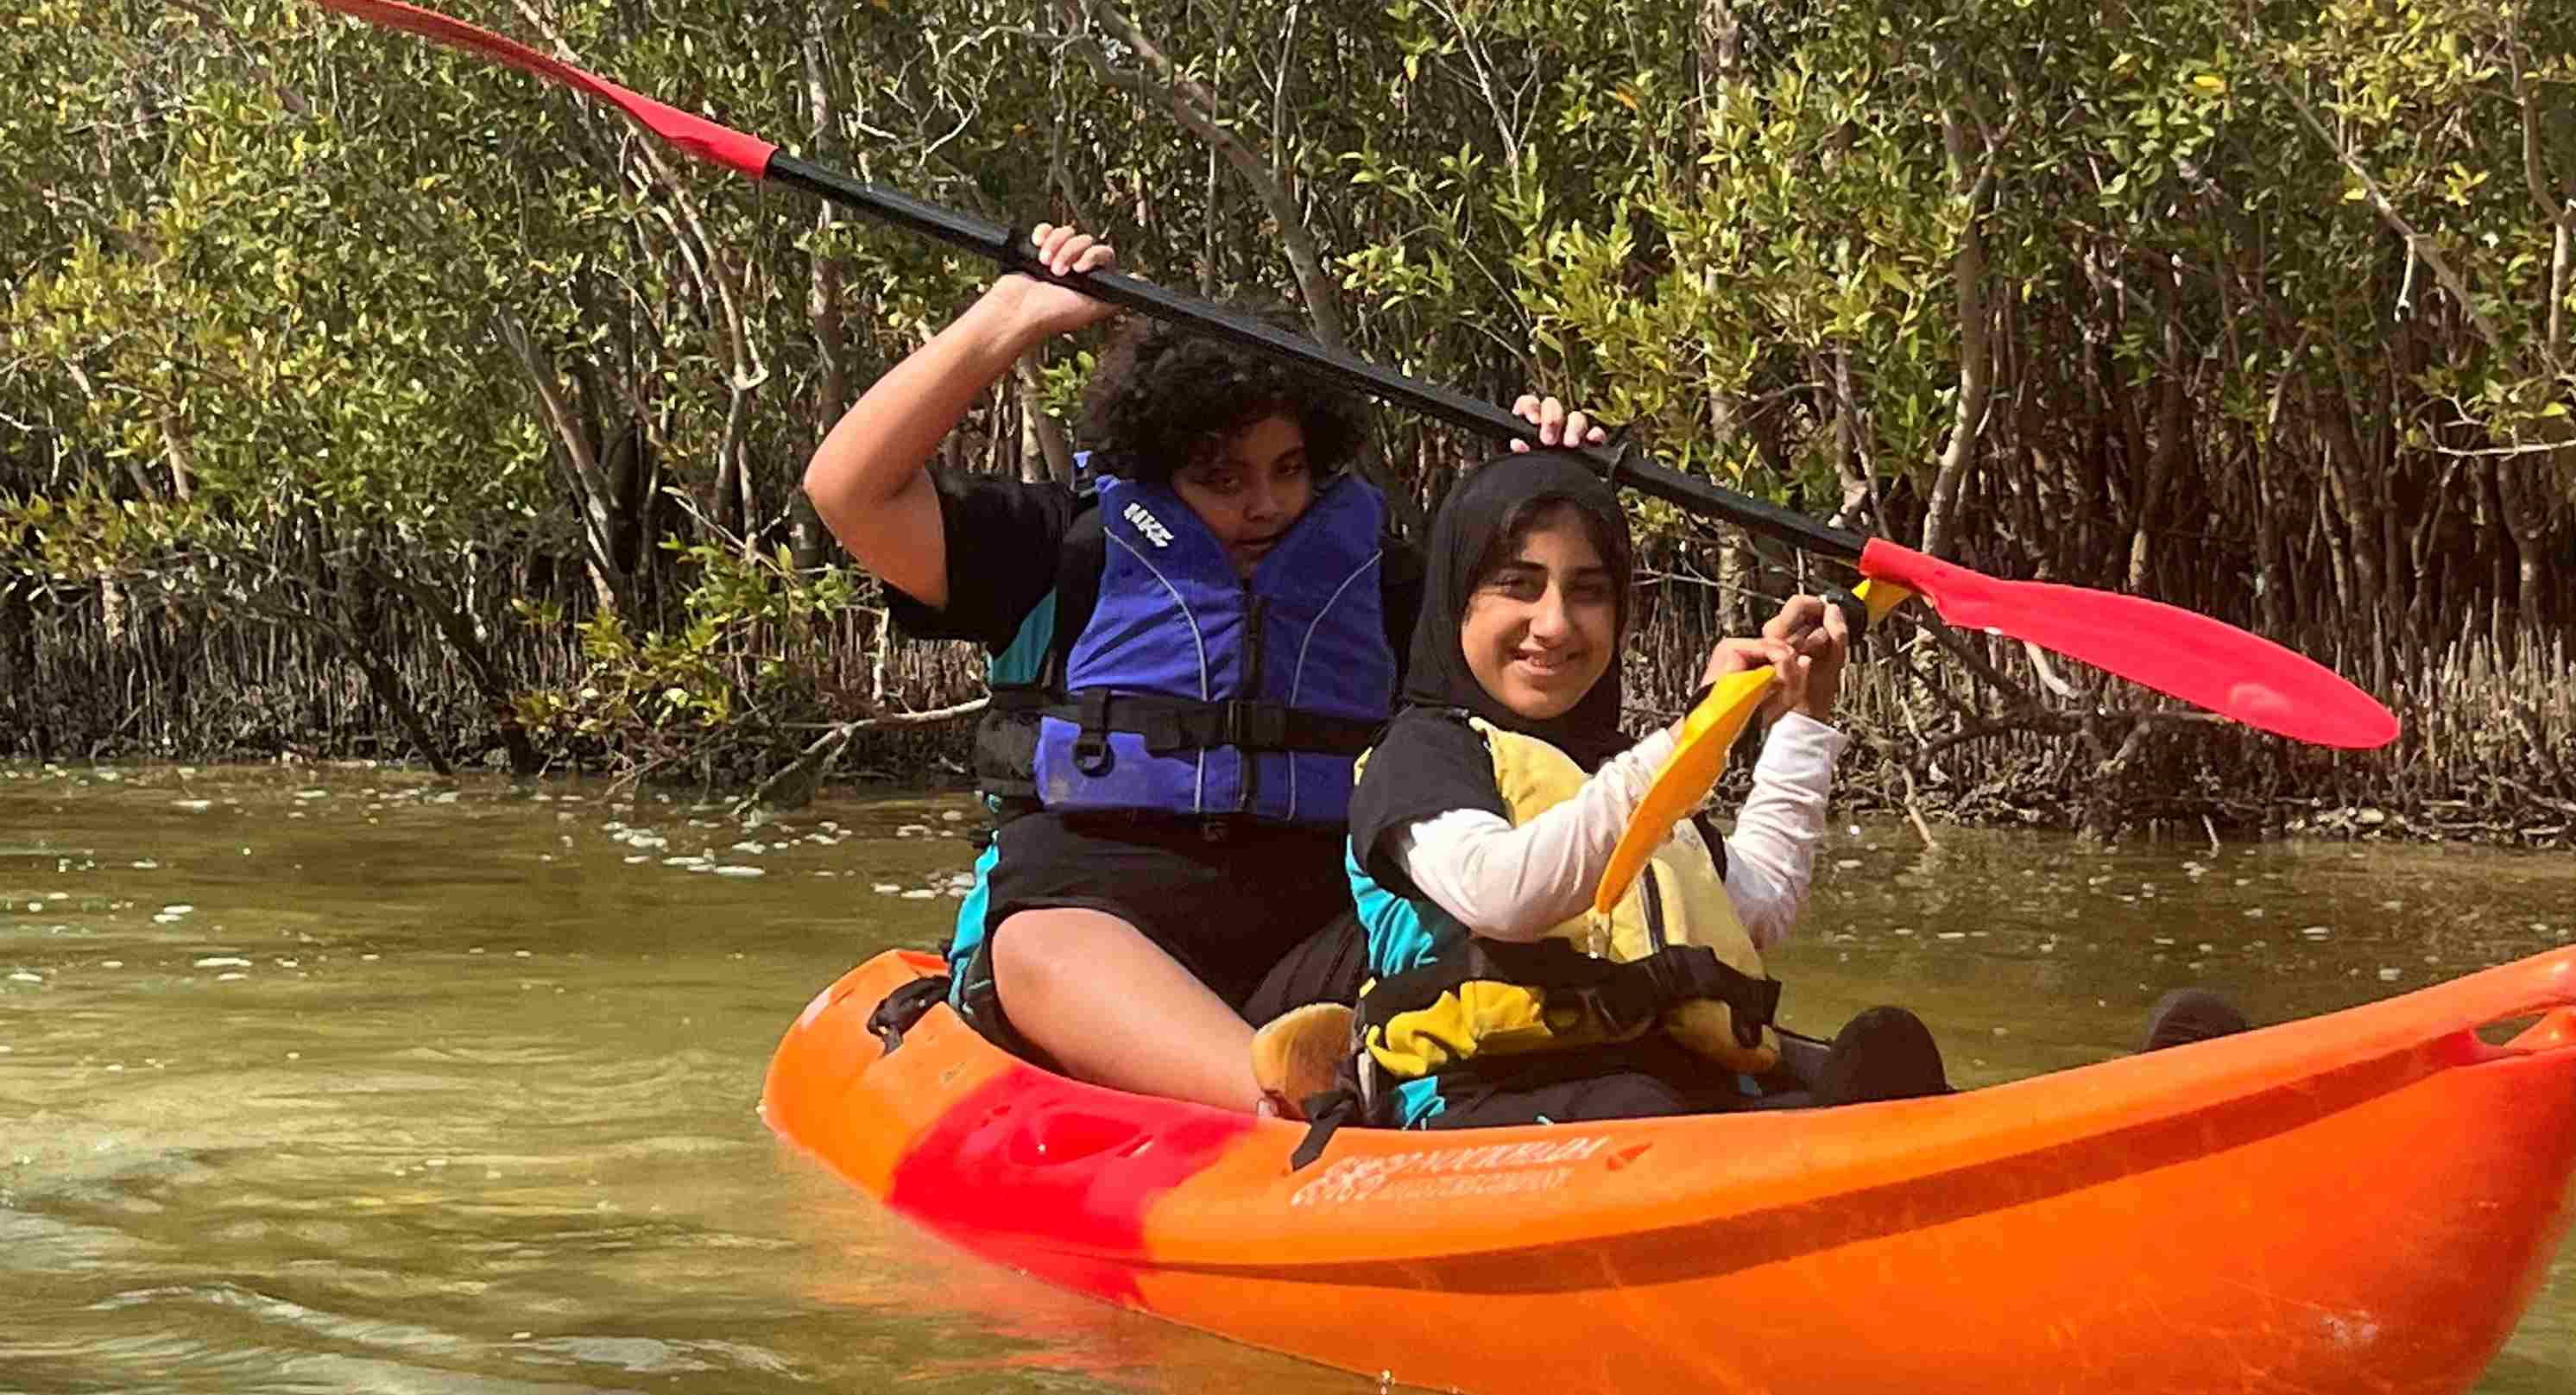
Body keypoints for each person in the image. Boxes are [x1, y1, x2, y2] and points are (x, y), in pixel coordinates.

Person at [802, 221, 1599, 1111]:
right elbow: (848, 490)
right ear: (1158, 464)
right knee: (1036, 947)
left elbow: (1544, 683)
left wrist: (1540, 496)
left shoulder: (1378, 578)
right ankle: (1284, 1100)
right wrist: (1013, 315)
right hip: (1095, 917)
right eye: (1224, 478)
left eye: (1289, 470)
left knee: (1495, 927)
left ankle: (1453, 1097)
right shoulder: (1053, 549)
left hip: (1317, 926)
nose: (1264, 504)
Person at [1334, 451, 1946, 1128]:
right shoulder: (1423, 753)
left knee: (1892, 1054)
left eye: (1588, 590)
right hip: (1488, 1103)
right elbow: (1500, 893)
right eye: (1519, 584)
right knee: (1648, 1107)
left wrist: (1804, 718)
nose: (1556, 623)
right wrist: (1692, 736)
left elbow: (1760, 909)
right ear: (1456, 602)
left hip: (1667, 1090)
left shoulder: (1613, 772)